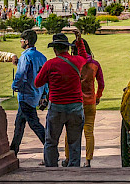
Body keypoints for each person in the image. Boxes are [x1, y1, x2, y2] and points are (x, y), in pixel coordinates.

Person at [33, 30, 89, 167]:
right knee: (74, 143)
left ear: (55, 49)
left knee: (51, 142)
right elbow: (84, 57)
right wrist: (79, 40)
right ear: (68, 48)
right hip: (75, 106)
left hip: (57, 106)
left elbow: (37, 83)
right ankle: (74, 170)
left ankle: (51, 168)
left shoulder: (50, 64)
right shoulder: (76, 61)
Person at [64, 36, 103, 168]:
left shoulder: (72, 63)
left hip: (75, 101)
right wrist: (98, 96)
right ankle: (88, 160)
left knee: (70, 130)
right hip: (90, 101)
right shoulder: (95, 64)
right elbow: (101, 83)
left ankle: (67, 157)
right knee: (89, 131)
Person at [9, 29, 49, 156]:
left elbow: (21, 75)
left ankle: (50, 148)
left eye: (21, 40)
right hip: (36, 93)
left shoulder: (25, 56)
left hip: (26, 95)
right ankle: (13, 150)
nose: (20, 42)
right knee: (19, 123)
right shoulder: (42, 57)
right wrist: (44, 94)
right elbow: (45, 78)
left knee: (34, 124)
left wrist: (14, 86)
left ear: (26, 42)